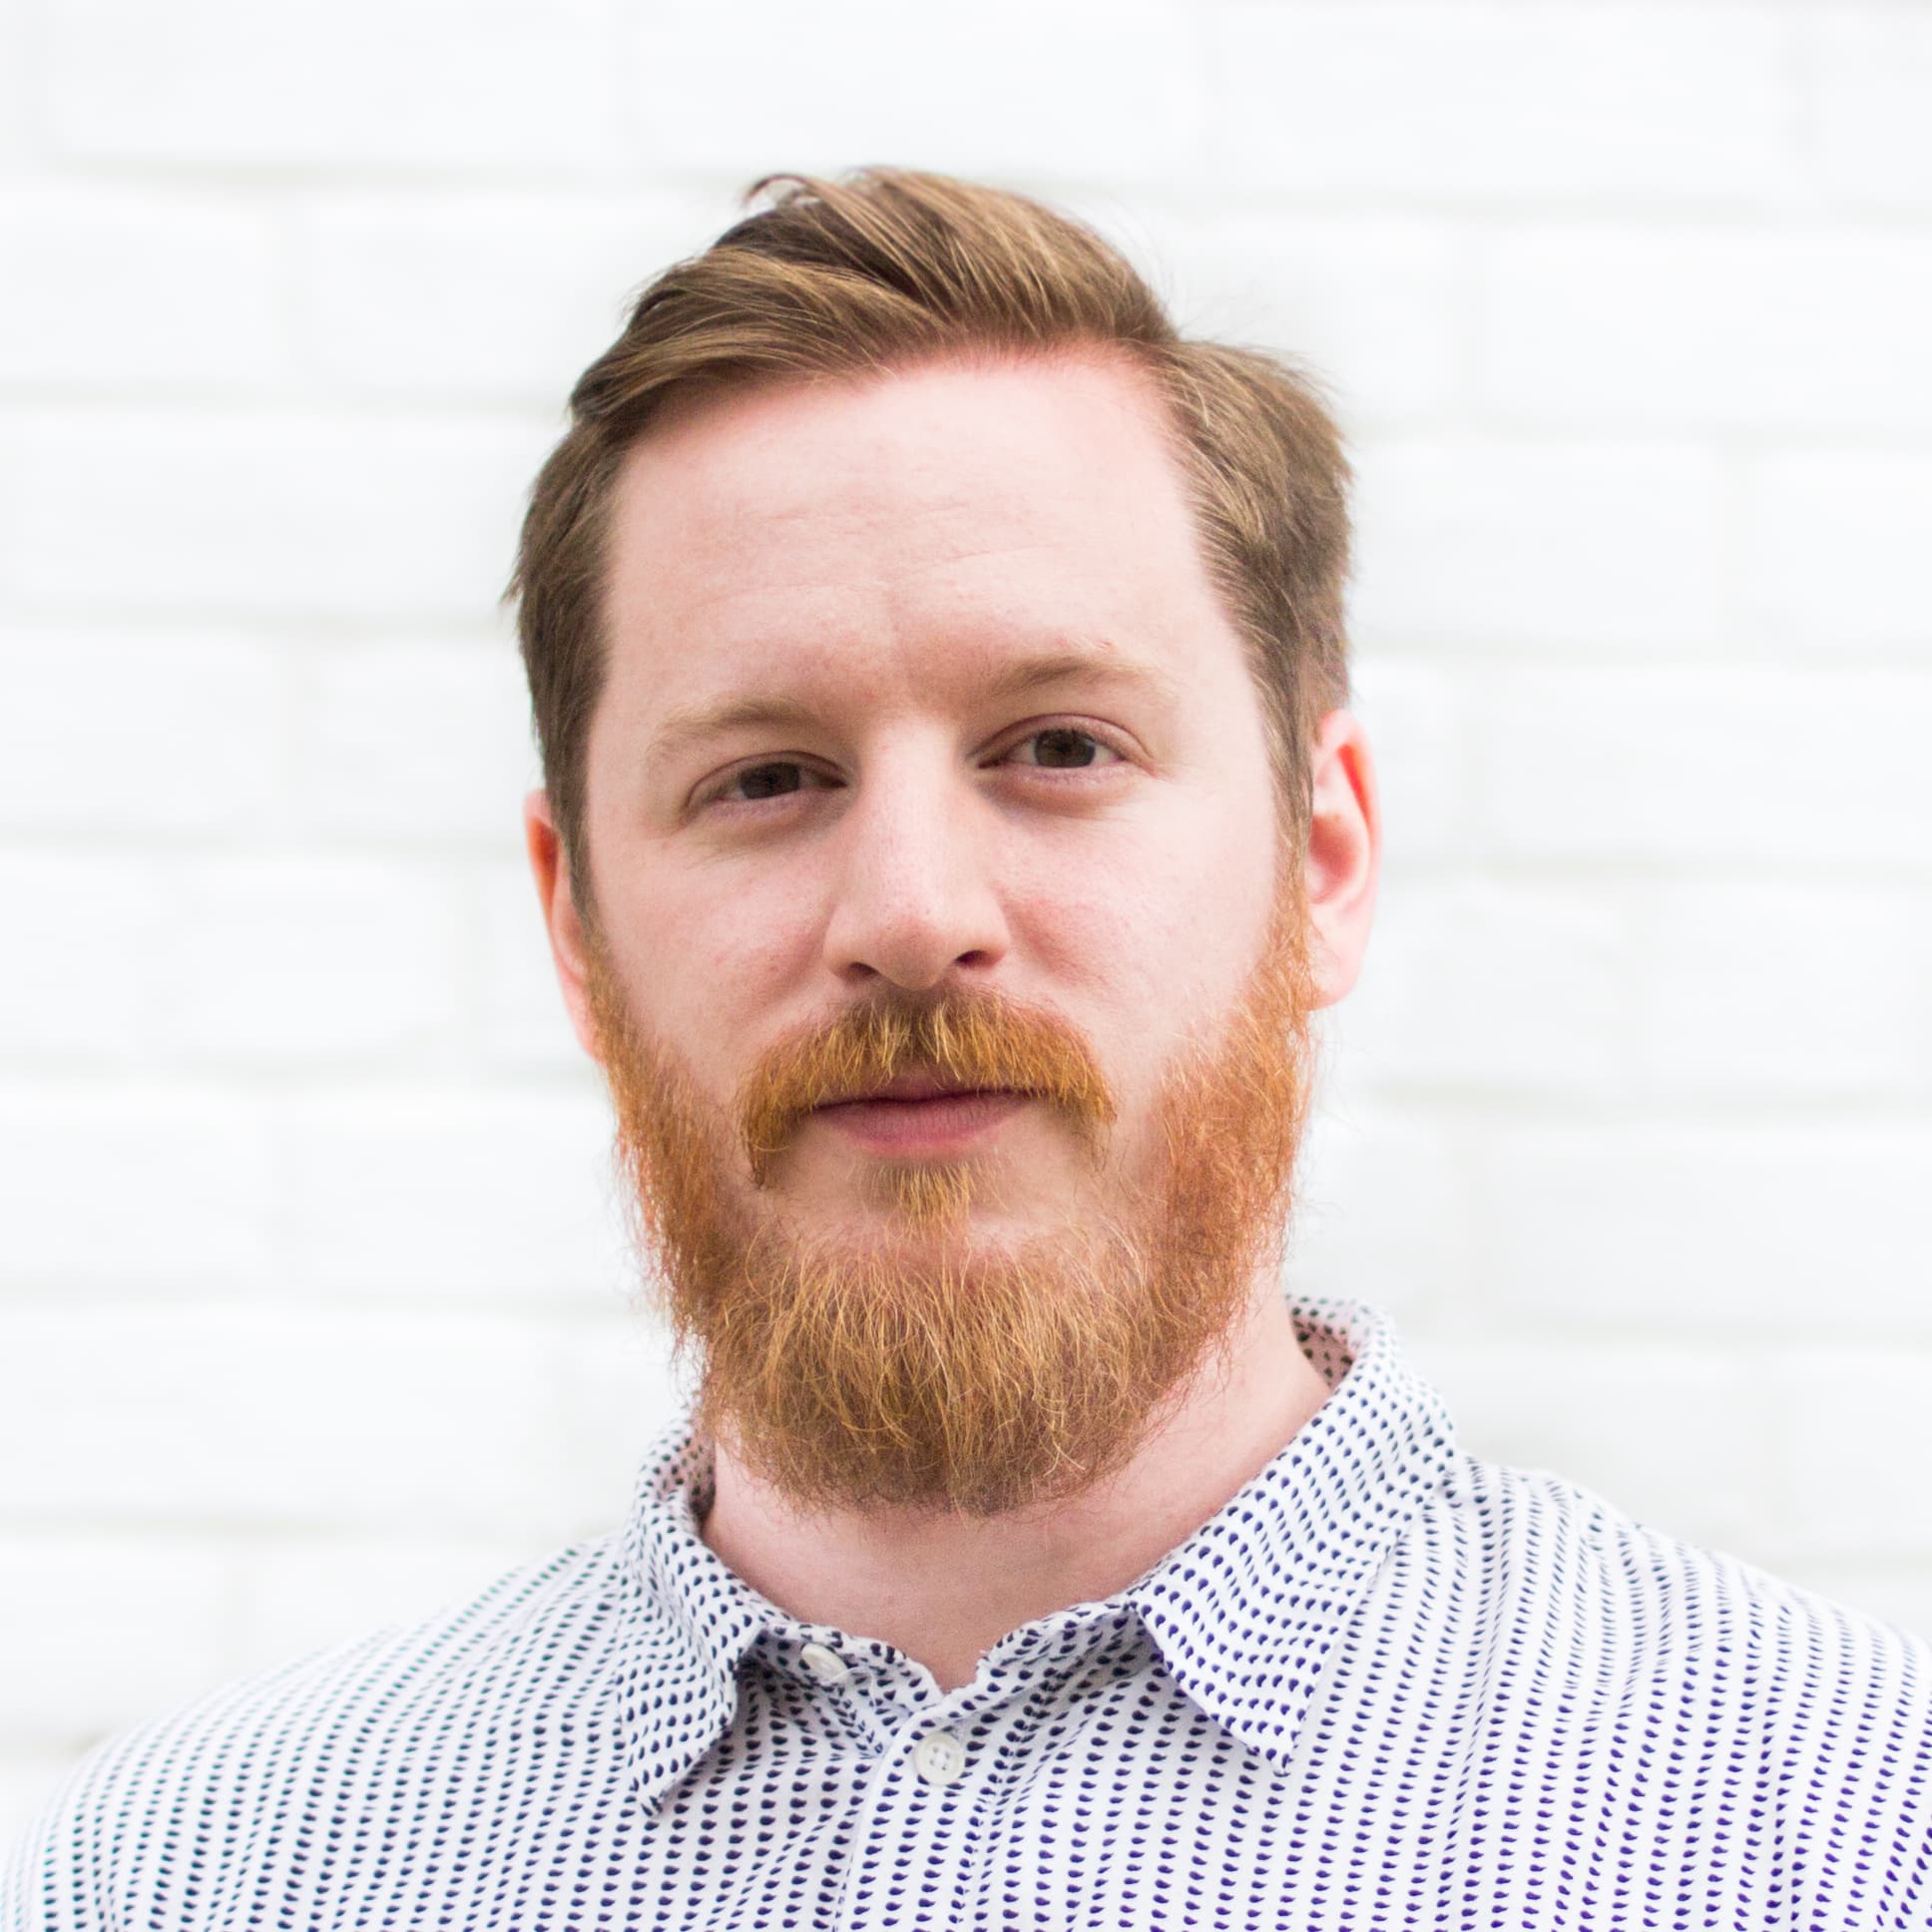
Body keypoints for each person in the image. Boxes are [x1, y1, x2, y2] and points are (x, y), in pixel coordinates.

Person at [5, 166, 1928, 1932]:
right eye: (769, 778)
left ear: (1321, 862)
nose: (912, 911)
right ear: (575, 928)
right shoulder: (186, 1872)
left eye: (1061, 747)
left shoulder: (1842, 1828)